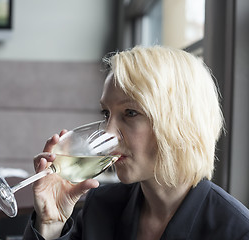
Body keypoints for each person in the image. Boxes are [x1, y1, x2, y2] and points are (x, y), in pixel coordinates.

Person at [22, 46, 249, 239]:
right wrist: (51, 223)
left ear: (180, 123)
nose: (108, 133)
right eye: (106, 114)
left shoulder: (236, 230)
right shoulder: (100, 206)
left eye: (130, 112)